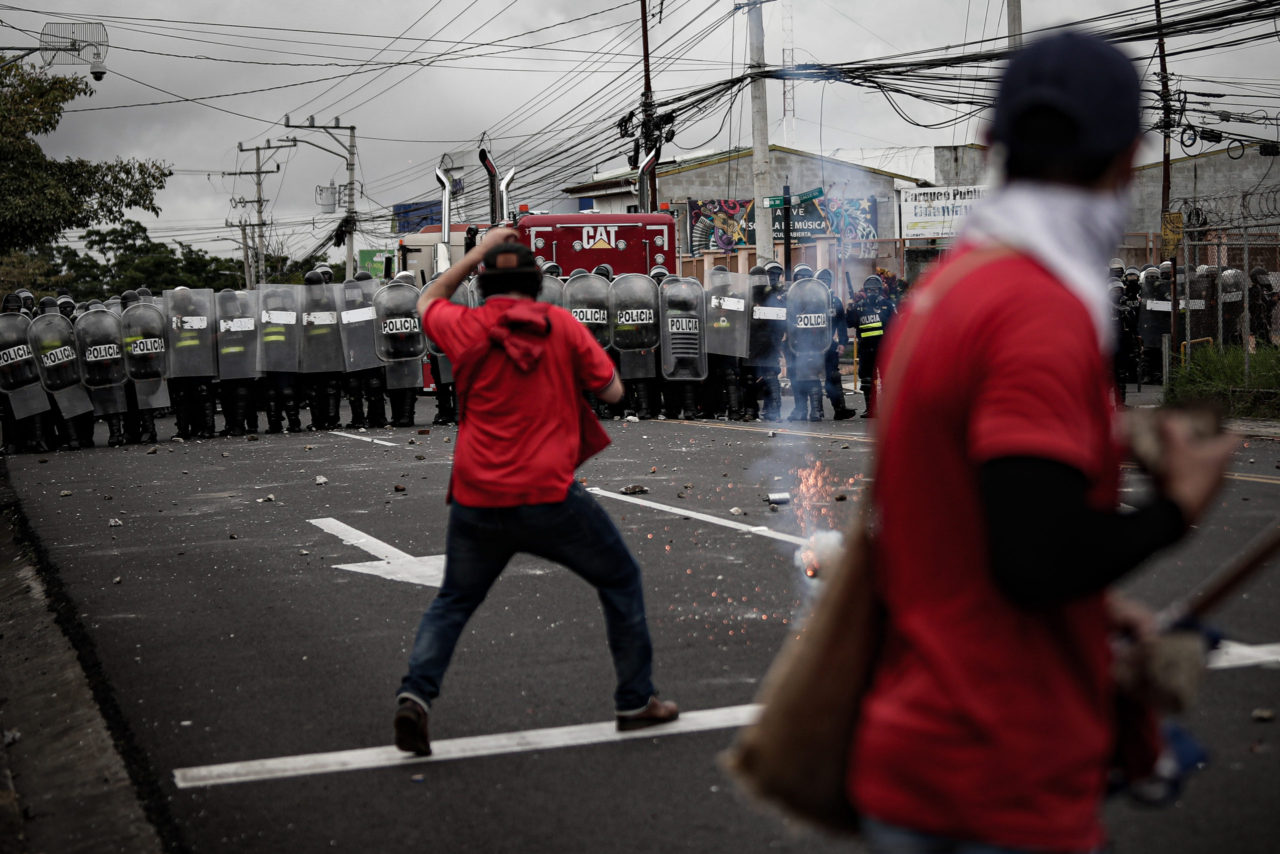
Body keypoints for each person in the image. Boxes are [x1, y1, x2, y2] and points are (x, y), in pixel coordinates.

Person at [847, 32, 1238, 854]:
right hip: (998, 775)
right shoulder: (1038, 308)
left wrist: (1097, 611)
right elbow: (1036, 560)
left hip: (922, 752)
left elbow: (973, 522)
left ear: (991, 147)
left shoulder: (945, 289)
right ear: (1130, 159)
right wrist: (1177, 507)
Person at [394, 229, 677, 755]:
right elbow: (612, 390)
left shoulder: (466, 326)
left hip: (478, 496)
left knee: (454, 601)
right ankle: (636, 701)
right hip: (549, 495)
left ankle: (416, 696)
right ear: (536, 285)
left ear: (483, 284)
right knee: (620, 579)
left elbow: (426, 299)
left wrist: (474, 253)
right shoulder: (562, 326)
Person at [848, 274, 895, 418]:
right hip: (866, 350)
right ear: (865, 291)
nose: (872, 293)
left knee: (887, 380)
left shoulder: (887, 305)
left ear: (880, 290)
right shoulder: (859, 307)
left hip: (883, 349)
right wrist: (850, 309)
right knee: (867, 380)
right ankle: (870, 409)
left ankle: (889, 409)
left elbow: (896, 325)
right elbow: (850, 323)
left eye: (875, 290)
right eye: (870, 290)